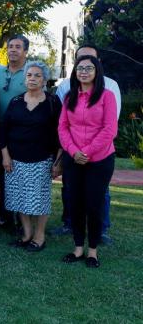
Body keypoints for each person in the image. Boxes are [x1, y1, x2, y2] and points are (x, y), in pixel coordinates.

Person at [52, 45, 121, 245]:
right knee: (75, 201)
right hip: (73, 157)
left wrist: (87, 152)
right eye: (80, 68)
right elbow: (62, 128)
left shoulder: (107, 94)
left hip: (100, 158)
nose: (84, 72)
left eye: (89, 67)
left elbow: (110, 129)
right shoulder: (69, 96)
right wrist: (74, 152)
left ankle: (94, 247)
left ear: (97, 69)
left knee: (95, 202)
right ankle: (78, 246)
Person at [0, 61, 62, 251]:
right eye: (29, 75)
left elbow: (61, 133)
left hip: (42, 159)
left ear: (44, 80)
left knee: (39, 199)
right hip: (15, 159)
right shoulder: (16, 101)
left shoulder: (52, 102)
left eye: (37, 75)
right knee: (19, 197)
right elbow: (3, 130)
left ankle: (39, 236)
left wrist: (58, 162)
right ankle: (26, 234)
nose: (32, 79)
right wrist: (5, 156)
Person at [0, 34, 29, 227]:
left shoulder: (31, 73)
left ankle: (22, 218)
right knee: (0, 171)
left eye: (17, 47)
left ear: (25, 51)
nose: (13, 50)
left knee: (19, 172)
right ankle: (3, 213)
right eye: (10, 46)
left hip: (21, 131)